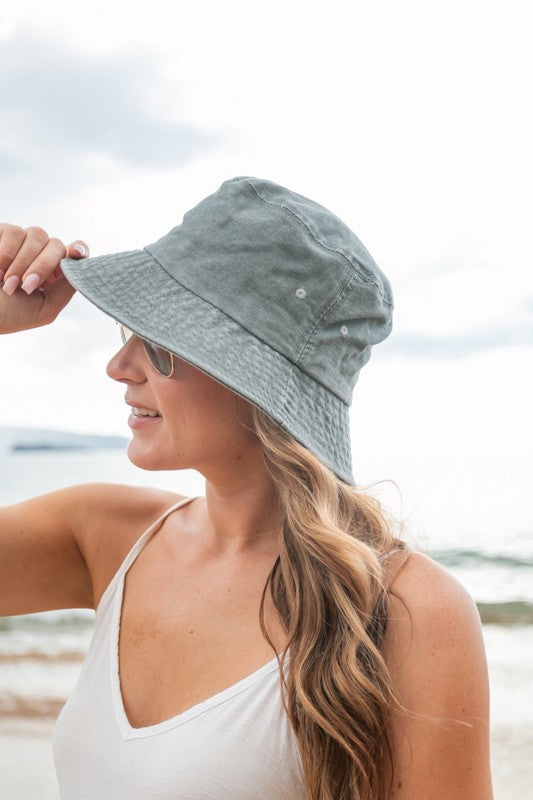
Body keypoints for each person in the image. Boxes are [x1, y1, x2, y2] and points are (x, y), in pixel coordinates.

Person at [0, 176, 493, 799]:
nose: (119, 368)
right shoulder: (103, 534)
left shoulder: (407, 609)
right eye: (126, 334)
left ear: (254, 381)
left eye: (158, 345)